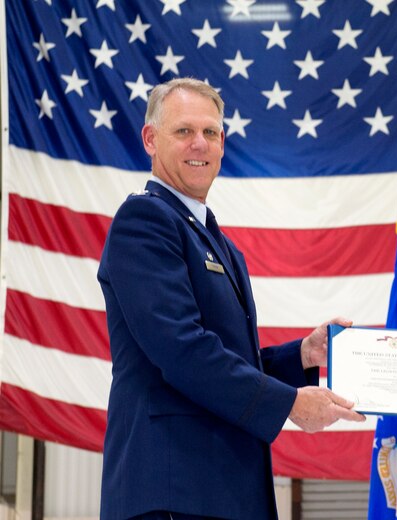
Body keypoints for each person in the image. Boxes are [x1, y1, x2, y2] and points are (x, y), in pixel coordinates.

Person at [97, 78, 364, 520]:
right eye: (183, 131)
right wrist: (290, 403)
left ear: (223, 144)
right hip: (174, 491)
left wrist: (302, 354)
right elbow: (182, 350)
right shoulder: (144, 220)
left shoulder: (218, 242)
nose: (199, 143)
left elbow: (231, 356)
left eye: (211, 133)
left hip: (223, 492)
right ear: (150, 139)